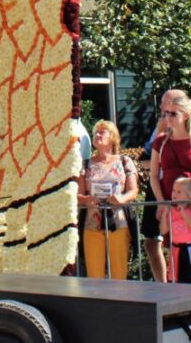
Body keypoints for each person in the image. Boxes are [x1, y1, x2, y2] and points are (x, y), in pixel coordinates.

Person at [150, 94, 191, 274]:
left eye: (173, 114)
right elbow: (154, 175)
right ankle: (178, 294)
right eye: (165, 113)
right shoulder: (161, 141)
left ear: (185, 115)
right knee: (174, 248)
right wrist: (161, 201)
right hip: (171, 201)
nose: (167, 118)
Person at [77, 120, 138, 279]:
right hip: (92, 223)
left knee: (119, 274)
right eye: (95, 132)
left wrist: (121, 198)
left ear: (113, 137)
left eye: (102, 132)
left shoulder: (125, 161)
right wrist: (86, 200)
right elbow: (77, 195)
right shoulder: (86, 164)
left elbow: (133, 191)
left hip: (118, 222)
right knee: (94, 275)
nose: (97, 135)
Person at [140, 89, 186, 282]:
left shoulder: (188, 130)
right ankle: (163, 285)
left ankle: (186, 286)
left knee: (182, 241)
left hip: (178, 189)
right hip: (156, 186)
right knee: (151, 242)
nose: (161, 108)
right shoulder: (159, 126)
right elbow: (145, 160)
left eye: (166, 103)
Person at [161, 176, 191, 285]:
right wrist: (164, 215)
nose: (174, 194)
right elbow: (164, 230)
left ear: (188, 195)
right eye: (173, 190)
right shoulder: (171, 211)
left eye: (179, 192)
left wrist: (184, 213)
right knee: (178, 280)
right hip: (176, 249)